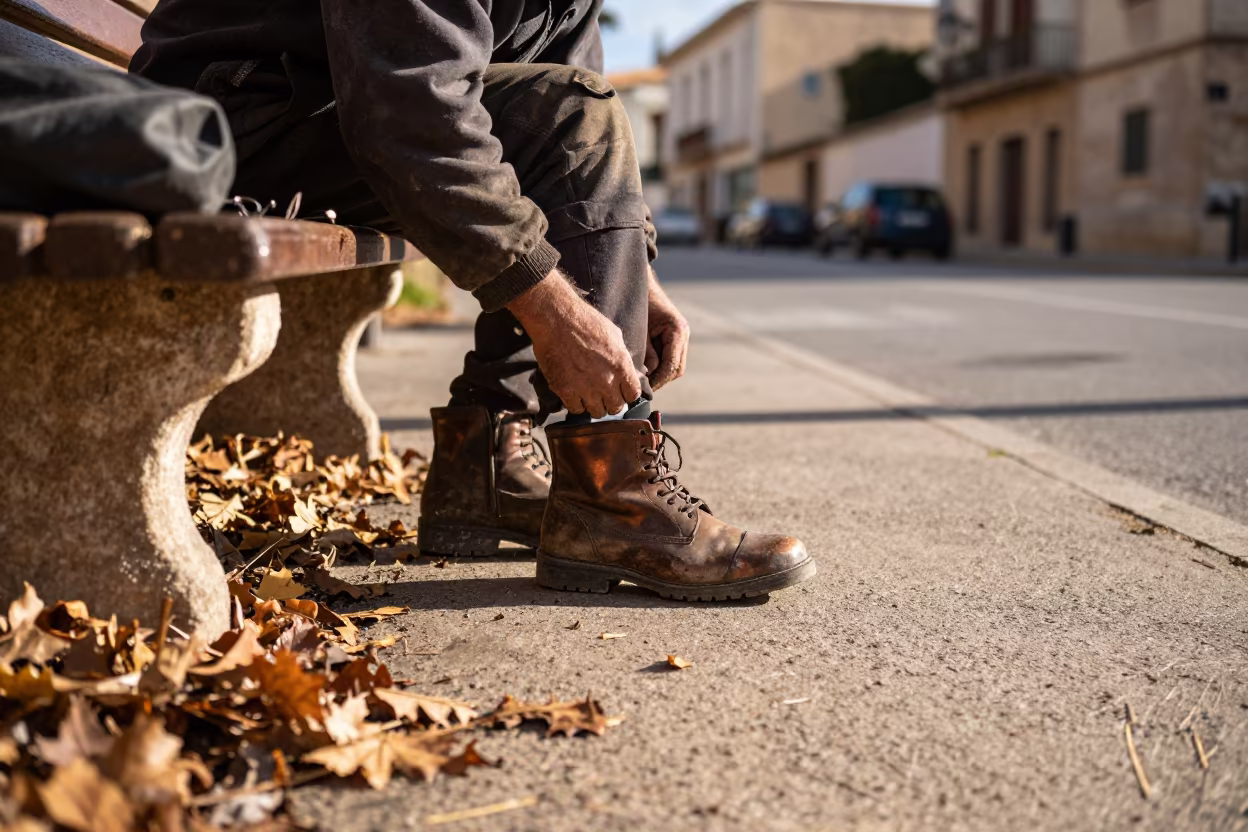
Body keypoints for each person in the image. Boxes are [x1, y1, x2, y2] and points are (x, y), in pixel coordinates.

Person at [132, 0, 815, 600]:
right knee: (574, 113)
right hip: (224, 128)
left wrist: (640, 273)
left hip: (316, 105)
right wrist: (558, 316)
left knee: (576, 106)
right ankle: (613, 502)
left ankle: (485, 466)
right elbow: (411, 113)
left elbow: (568, 107)